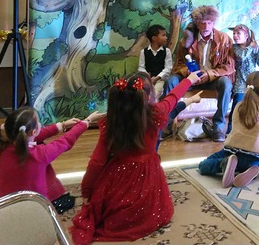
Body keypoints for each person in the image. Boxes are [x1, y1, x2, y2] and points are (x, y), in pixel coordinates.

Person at [70, 70, 200, 245]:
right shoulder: (157, 113)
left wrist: (87, 192)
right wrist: (189, 80)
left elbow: (97, 162)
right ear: (147, 96)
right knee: (157, 211)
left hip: (118, 177)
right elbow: (172, 97)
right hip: (149, 178)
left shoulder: (112, 120)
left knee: (107, 205)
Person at [0, 106, 103, 214]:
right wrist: (86, 122)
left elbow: (33, 136)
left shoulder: (5, 145)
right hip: (31, 209)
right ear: (33, 132)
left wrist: (62, 125)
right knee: (67, 201)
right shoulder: (40, 154)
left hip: (3, 204)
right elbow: (65, 141)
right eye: (38, 122)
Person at [198, 71, 259, 187]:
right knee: (257, 164)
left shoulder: (238, 105)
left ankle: (224, 163)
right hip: (254, 157)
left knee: (203, 165)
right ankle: (249, 170)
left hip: (232, 151)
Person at [166, 6, 235, 142]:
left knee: (226, 83)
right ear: (197, 24)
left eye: (209, 22)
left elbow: (229, 66)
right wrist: (190, 74)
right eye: (203, 23)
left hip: (213, 79)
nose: (206, 26)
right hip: (190, 79)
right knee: (171, 81)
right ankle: (167, 125)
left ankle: (218, 127)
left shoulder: (224, 39)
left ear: (213, 22)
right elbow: (178, 65)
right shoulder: (186, 41)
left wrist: (209, 74)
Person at [228, 23, 259, 134]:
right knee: (237, 106)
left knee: (256, 106)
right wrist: (250, 46)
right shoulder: (234, 48)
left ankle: (254, 128)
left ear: (246, 35)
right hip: (239, 82)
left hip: (252, 82)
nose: (235, 36)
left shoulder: (254, 48)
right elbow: (242, 55)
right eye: (234, 33)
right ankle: (230, 129)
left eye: (238, 33)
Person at [138, 24, 173, 101]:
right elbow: (141, 67)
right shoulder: (143, 52)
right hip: (147, 79)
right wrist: (147, 77)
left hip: (161, 80)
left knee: (155, 92)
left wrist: (156, 78)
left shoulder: (167, 51)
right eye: (163, 35)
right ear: (154, 38)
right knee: (142, 93)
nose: (166, 38)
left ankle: (154, 110)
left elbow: (168, 68)